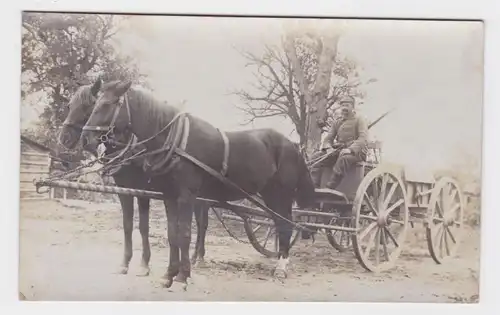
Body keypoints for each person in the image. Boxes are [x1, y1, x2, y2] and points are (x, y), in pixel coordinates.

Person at [310, 95, 369, 190]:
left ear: (352, 107)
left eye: (347, 105)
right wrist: (328, 148)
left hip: (357, 153)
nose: (344, 108)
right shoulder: (337, 122)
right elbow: (328, 138)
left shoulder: (359, 120)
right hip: (339, 151)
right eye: (342, 106)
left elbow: (363, 138)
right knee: (316, 157)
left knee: (344, 159)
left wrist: (350, 150)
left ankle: (330, 188)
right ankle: (313, 187)